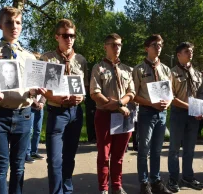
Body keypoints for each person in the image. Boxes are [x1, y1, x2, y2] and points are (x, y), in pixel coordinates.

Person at [0, 7, 36, 194]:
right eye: (9, 22)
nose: (14, 26)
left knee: (19, 166)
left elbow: (33, 89)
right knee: (1, 167)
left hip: (24, 116)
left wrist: (36, 92)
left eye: (18, 22)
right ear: (0, 25)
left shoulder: (29, 56)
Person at [39, 19, 88, 194]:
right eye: (66, 35)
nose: (69, 39)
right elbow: (43, 90)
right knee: (54, 160)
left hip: (76, 113)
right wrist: (58, 99)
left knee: (69, 157)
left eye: (72, 36)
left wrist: (80, 98)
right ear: (57, 37)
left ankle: (67, 190)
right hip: (57, 113)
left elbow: (85, 88)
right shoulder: (48, 58)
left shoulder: (81, 60)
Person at [90, 33, 135, 194]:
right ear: (105, 47)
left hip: (123, 116)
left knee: (119, 155)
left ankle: (116, 186)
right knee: (104, 155)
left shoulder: (127, 69)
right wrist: (117, 106)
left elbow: (131, 92)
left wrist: (120, 104)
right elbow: (95, 93)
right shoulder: (98, 68)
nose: (117, 48)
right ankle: (103, 188)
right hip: (104, 116)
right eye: (113, 44)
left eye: (119, 45)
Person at [132, 34, 172, 194]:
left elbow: (170, 94)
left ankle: (156, 181)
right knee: (144, 149)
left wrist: (167, 103)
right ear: (146, 48)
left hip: (162, 113)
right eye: (155, 44)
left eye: (160, 44)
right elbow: (133, 94)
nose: (159, 47)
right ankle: (144, 182)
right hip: (147, 112)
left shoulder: (166, 69)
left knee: (157, 150)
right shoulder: (139, 69)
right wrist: (151, 103)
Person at [166, 42, 203, 193]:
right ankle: (173, 179)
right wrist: (190, 107)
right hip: (178, 113)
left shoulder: (197, 73)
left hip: (194, 116)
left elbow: (201, 92)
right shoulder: (172, 73)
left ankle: (188, 177)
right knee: (174, 148)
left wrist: (200, 108)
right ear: (178, 55)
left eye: (191, 52)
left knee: (189, 148)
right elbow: (171, 96)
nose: (190, 54)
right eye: (187, 52)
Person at [25, 52, 46, 163]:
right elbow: (26, 91)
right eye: (36, 60)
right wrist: (35, 103)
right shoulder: (27, 75)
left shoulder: (42, 76)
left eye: (40, 60)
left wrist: (42, 102)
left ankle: (34, 151)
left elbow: (45, 91)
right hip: (30, 106)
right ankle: (27, 153)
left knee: (37, 130)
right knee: (30, 130)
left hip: (40, 107)